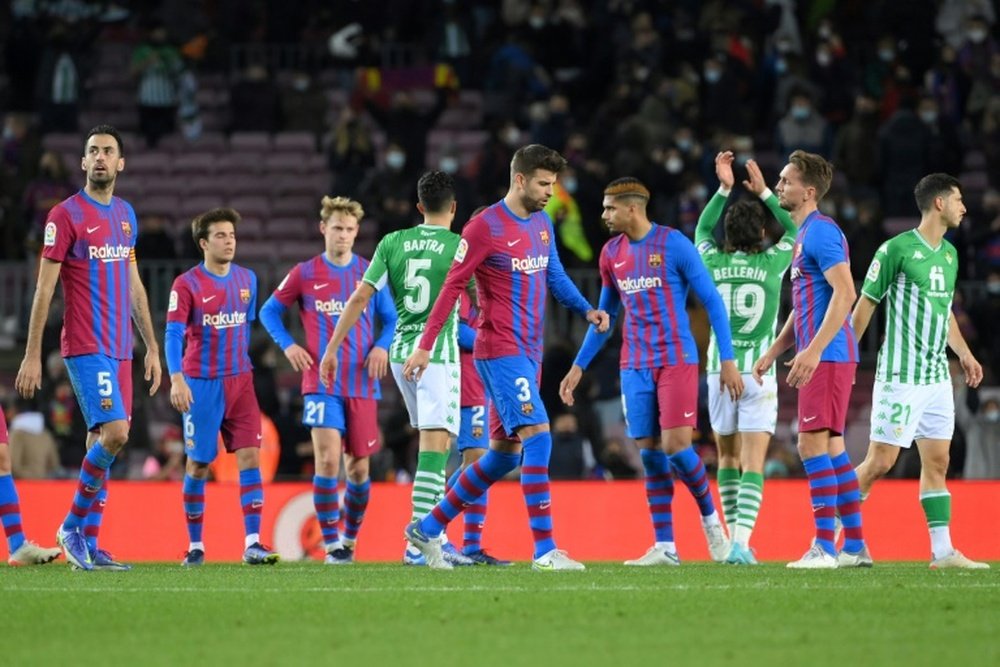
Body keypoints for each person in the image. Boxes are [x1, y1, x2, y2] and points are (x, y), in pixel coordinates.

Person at [400, 144, 609, 571]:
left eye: (553, 183)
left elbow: (555, 276)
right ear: (519, 179)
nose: (551, 191)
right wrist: (425, 344)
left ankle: (427, 528)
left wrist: (586, 309)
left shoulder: (543, 224)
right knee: (540, 436)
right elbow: (452, 286)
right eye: (544, 183)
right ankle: (545, 551)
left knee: (502, 457)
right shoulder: (484, 227)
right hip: (499, 349)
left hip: (529, 353)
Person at [559, 176, 741, 566]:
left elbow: (712, 302)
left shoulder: (674, 244)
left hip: (676, 359)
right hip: (634, 365)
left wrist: (727, 359)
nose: (604, 214)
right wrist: (578, 365)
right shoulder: (611, 254)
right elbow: (604, 318)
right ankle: (665, 547)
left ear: (633, 208)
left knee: (677, 446)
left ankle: (712, 524)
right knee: (652, 455)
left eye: (610, 207)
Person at [15, 125, 162, 571]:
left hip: (121, 349)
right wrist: (32, 353)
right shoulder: (64, 216)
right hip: (85, 344)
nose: (100, 157)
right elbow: (44, 290)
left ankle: (91, 545)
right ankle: (72, 526)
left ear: (121, 163)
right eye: (92, 151)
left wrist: (152, 346)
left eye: (108, 152)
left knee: (102, 441)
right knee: (116, 433)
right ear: (82, 163)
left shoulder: (125, 215)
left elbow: (134, 284)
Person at [318, 171, 473, 567]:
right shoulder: (460, 246)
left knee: (432, 445)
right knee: (435, 450)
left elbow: (359, 298)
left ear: (419, 207)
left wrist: (332, 349)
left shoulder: (393, 242)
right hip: (436, 352)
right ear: (453, 208)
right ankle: (419, 541)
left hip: (402, 355)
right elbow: (477, 296)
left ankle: (433, 539)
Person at [851, 173, 988, 569]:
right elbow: (865, 306)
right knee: (880, 462)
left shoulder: (950, 254)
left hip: (935, 378)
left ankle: (942, 552)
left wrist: (964, 353)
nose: (964, 206)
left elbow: (943, 313)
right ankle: (830, 533)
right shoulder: (895, 249)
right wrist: (844, 364)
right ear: (939, 203)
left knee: (938, 461)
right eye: (959, 199)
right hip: (899, 376)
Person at [259, 196, 397, 565]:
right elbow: (269, 311)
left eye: (350, 229)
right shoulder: (305, 273)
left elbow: (392, 320)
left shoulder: (370, 274)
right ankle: (332, 544)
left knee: (359, 468)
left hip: (362, 382)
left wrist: (382, 347)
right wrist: (288, 346)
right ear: (324, 228)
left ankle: (349, 539)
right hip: (321, 381)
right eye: (337, 228)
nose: (344, 235)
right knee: (327, 459)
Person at [753, 150, 870, 569]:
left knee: (809, 444)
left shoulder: (821, 233)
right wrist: (774, 350)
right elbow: (805, 309)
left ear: (809, 190)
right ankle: (854, 547)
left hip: (830, 356)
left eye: (785, 181)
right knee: (833, 449)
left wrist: (815, 350)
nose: (779, 186)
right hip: (828, 355)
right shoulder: (804, 235)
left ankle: (824, 547)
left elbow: (846, 293)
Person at [694, 152, 797, 565]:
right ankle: (739, 542)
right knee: (754, 462)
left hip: (720, 370)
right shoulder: (774, 263)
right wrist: (768, 194)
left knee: (728, 459)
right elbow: (795, 227)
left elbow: (701, 227)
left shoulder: (711, 261)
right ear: (760, 232)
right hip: (758, 371)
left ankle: (731, 546)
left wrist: (723, 188)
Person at [165, 207, 277, 567]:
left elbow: (245, 326)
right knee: (198, 465)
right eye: (220, 236)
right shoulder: (186, 284)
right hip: (201, 384)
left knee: (249, 457)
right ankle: (196, 546)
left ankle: (253, 543)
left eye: (232, 235)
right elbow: (173, 334)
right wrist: (177, 377)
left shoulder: (247, 280)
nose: (229, 241)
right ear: (203, 243)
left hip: (241, 381)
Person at [444, 287, 510, 565]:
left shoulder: (490, 287)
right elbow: (455, 332)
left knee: (477, 466)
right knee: (477, 464)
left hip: (485, 382)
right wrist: (494, 341)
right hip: (468, 383)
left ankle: (464, 543)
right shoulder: (461, 291)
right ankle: (435, 531)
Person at [1, 400, 62, 565]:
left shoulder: (18, 432)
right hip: (39, 480)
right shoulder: (45, 433)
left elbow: (15, 461)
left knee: (2, 461)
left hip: (25, 479)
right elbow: (54, 464)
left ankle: (17, 545)